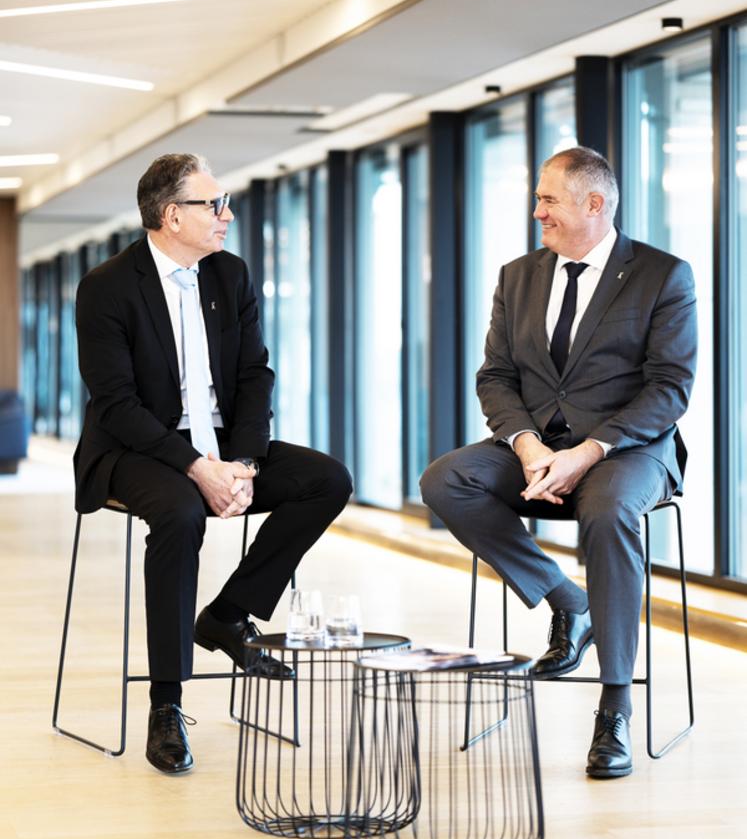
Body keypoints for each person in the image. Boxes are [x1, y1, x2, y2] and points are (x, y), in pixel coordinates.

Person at [420, 146, 696, 779]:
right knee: (446, 480)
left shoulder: (662, 275)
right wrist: (529, 446)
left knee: (608, 509)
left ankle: (615, 710)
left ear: (593, 204)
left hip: (626, 451)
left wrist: (587, 452)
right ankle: (570, 601)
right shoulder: (518, 276)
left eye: (548, 199)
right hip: (537, 448)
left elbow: (670, 388)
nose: (536, 210)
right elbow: (495, 376)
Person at [74, 153, 352, 775]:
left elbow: (255, 373)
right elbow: (115, 406)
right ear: (172, 216)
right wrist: (200, 468)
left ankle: (227, 615)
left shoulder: (229, 275)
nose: (227, 214)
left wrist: (245, 462)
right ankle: (166, 704)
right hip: (135, 448)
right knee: (178, 513)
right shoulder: (107, 286)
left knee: (326, 478)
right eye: (214, 203)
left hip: (225, 440)